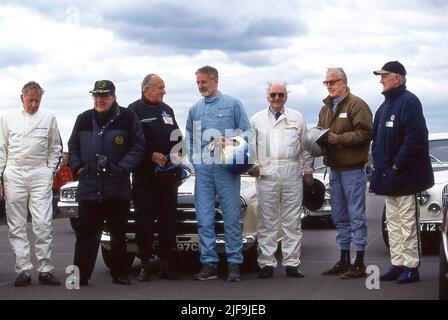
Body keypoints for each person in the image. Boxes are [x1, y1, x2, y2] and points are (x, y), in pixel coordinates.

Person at [68, 80, 145, 286]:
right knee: (85, 235)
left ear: (114, 97)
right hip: (89, 186)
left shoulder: (128, 118)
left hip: (116, 187)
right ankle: (80, 276)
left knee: (118, 234)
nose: (100, 100)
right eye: (96, 96)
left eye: (104, 96)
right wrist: (78, 168)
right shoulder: (83, 119)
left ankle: (120, 273)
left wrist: (121, 168)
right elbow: (73, 146)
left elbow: (138, 146)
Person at [370, 61, 434, 284]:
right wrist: (380, 165)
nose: (381, 80)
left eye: (384, 76)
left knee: (407, 222)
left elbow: (416, 138)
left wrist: (397, 164)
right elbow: (375, 139)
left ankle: (411, 266)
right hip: (389, 176)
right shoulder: (384, 106)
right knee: (393, 223)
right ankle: (397, 263)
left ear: (397, 78)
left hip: (405, 175)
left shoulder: (409, 102)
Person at [186, 66, 251, 282]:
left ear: (215, 81)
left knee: (231, 216)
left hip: (227, 169)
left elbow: (247, 132)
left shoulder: (233, 104)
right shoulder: (195, 109)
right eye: (198, 82)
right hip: (204, 171)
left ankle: (234, 263)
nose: (200, 86)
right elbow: (191, 138)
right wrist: (197, 162)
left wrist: (231, 141)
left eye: (203, 82)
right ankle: (209, 263)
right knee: (204, 217)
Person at [0, 81, 63, 287]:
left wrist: (49, 171)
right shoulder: (7, 117)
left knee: (43, 223)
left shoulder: (49, 117)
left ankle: (45, 269)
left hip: (39, 173)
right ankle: (23, 269)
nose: (34, 104)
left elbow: (55, 148)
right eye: (30, 100)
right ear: (22, 98)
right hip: (14, 173)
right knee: (16, 225)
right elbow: (1, 149)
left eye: (37, 100)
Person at [250, 83, 313, 279]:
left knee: (292, 220)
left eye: (281, 94)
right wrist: (254, 166)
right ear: (267, 96)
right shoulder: (256, 119)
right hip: (266, 172)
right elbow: (251, 147)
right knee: (267, 220)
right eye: (273, 95)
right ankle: (267, 262)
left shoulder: (297, 117)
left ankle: (292, 263)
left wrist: (308, 170)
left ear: (286, 96)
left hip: (292, 171)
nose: (277, 98)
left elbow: (306, 146)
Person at [318, 68, 372, 279]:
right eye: (326, 82)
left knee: (356, 215)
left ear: (344, 82)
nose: (330, 85)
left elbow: (366, 133)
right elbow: (321, 134)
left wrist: (338, 139)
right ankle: (343, 260)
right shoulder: (325, 108)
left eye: (333, 81)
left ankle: (359, 262)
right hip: (335, 169)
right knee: (340, 216)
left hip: (353, 170)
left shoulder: (357, 104)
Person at [128, 74, 183, 281]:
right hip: (145, 176)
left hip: (167, 176)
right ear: (146, 89)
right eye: (160, 88)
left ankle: (166, 263)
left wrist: (179, 152)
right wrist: (150, 154)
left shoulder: (167, 110)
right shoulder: (132, 111)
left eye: (164, 88)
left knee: (168, 218)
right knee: (145, 220)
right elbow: (130, 142)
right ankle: (145, 263)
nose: (163, 91)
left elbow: (177, 138)